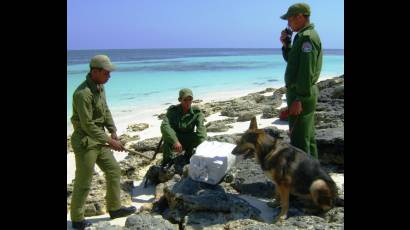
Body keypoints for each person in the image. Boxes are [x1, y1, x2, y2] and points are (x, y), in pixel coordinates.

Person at [70, 55, 136, 229]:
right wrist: (110, 141)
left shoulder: (100, 87)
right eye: (106, 72)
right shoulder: (82, 94)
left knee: (114, 170)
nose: (109, 76)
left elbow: (105, 111)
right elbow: (87, 125)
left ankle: (114, 208)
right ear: (94, 71)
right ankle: (77, 219)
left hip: (100, 139)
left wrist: (113, 131)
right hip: (86, 141)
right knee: (84, 181)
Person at [280, 3, 323, 159]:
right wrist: (286, 44)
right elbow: (293, 62)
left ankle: (304, 180)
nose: (288, 24)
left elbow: (306, 71)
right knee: (308, 138)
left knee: (299, 142)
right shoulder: (303, 36)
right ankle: (315, 174)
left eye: (289, 20)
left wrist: (299, 99)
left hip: (301, 94)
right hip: (302, 93)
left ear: (299, 17)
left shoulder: (307, 38)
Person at [160, 88, 207, 167]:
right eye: (185, 100)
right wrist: (175, 141)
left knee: (199, 138)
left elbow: (201, 128)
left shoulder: (197, 112)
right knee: (166, 141)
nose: (188, 102)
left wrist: (203, 143)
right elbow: (165, 126)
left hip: (188, 139)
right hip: (176, 138)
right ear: (180, 100)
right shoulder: (172, 111)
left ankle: (189, 155)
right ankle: (166, 162)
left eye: (190, 99)